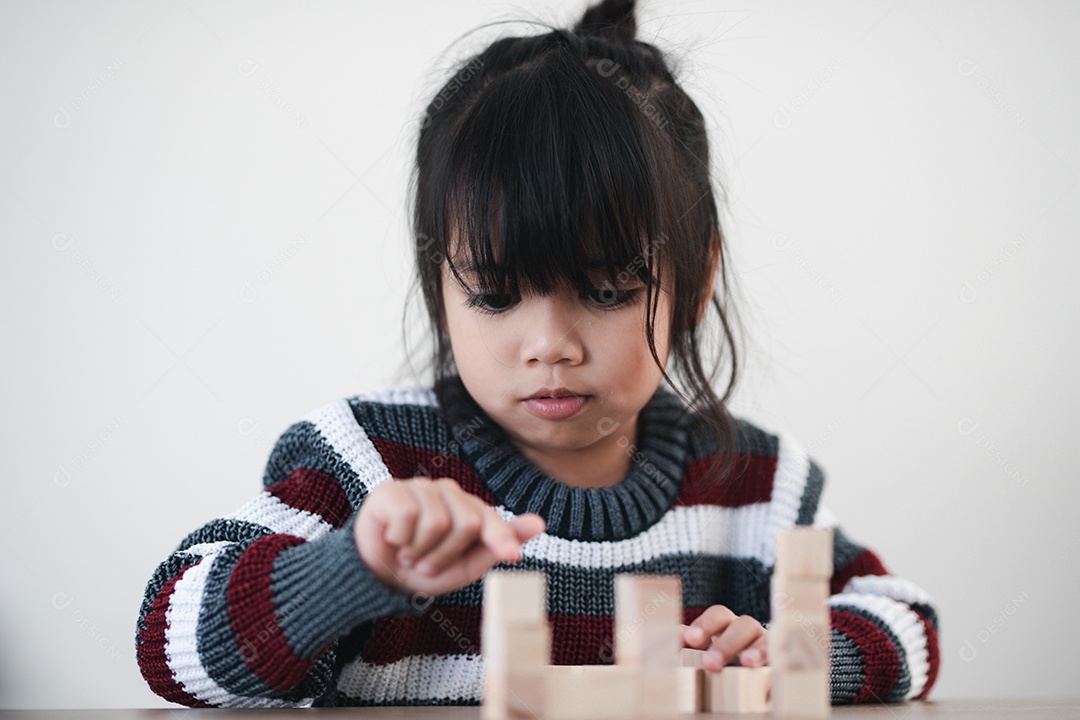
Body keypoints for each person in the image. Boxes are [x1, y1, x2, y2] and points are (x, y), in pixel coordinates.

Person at [136, 0, 939, 708]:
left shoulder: (753, 489)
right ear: (439, 285)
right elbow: (169, 641)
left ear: (697, 284)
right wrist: (354, 572)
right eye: (493, 295)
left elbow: (909, 623)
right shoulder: (371, 469)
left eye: (608, 291)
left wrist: (786, 657)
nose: (550, 345)